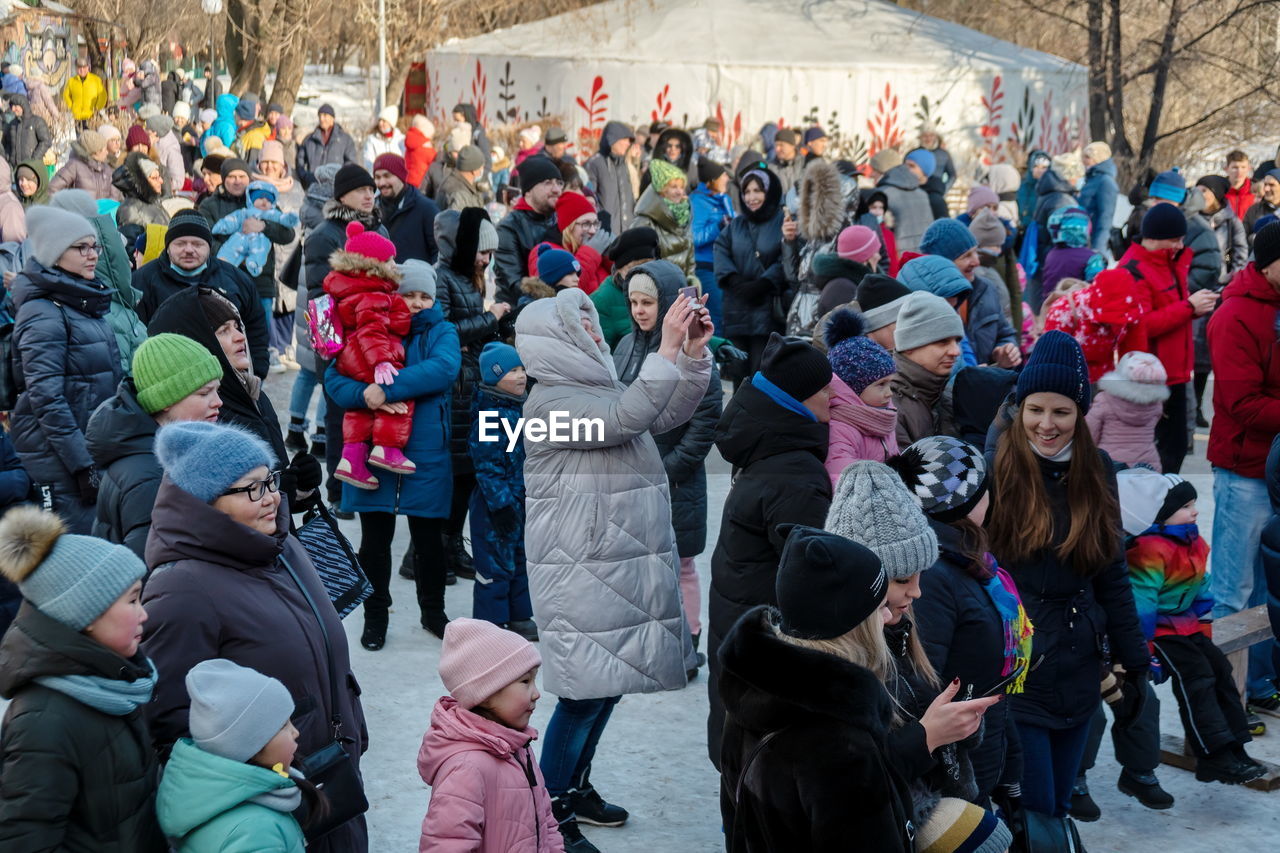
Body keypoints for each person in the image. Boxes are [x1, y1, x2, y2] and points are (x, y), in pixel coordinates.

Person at [515, 287, 711, 850]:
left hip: (607, 562)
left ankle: (573, 788)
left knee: (606, 688)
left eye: (593, 323)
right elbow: (628, 417)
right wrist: (666, 345)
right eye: (584, 326)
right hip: (578, 565)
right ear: (558, 341)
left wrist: (691, 353)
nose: (598, 332)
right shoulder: (548, 406)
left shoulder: (594, 388)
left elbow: (663, 410)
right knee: (581, 696)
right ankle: (546, 812)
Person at [141, 420, 368, 852]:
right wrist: (250, 799)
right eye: (252, 489)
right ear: (206, 502)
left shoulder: (280, 547)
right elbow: (171, 726)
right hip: (270, 806)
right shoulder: (181, 589)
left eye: (270, 481)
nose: (272, 498)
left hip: (330, 778)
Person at [985, 330, 1150, 819]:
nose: (1046, 424)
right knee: (1033, 808)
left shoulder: (1095, 468)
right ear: (1020, 407)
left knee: (1058, 803)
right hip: (1020, 667)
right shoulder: (997, 470)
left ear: (1081, 414)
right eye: (1036, 409)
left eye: (1062, 412)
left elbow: (1112, 572)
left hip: (1080, 662)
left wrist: (1133, 661)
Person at [824, 461, 1009, 845]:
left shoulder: (899, 631)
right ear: (862, 581)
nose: (918, 592)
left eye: (921, 576)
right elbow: (839, 783)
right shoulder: (834, 666)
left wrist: (955, 725)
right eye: (903, 580)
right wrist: (928, 736)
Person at [716, 525, 914, 852]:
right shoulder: (843, 744)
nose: (889, 616)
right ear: (853, 626)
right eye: (879, 607)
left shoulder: (754, 694)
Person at [0, 507, 165, 852]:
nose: (144, 613)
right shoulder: (44, 721)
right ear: (86, 612)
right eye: (132, 599)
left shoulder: (112, 681)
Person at [707, 333, 833, 765]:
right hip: (767, 658)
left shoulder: (772, 449)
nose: (832, 398)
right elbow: (812, 578)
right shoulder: (795, 473)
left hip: (744, 641)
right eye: (824, 390)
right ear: (795, 401)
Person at [325, 258, 459, 647]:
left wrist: (387, 389)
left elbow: (444, 368)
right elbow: (336, 378)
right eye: (408, 295)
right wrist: (364, 393)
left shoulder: (441, 330)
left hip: (424, 450)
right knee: (374, 540)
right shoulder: (369, 326)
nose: (416, 303)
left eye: (424, 296)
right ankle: (375, 616)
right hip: (373, 451)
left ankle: (433, 612)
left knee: (429, 540)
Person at [894, 436, 1034, 804]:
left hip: (979, 743)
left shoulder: (970, 560)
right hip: (955, 768)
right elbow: (926, 685)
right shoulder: (936, 574)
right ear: (970, 500)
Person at [1117, 469, 1266, 784]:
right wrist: (1145, 651)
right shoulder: (1148, 550)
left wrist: (1205, 632)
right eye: (1185, 507)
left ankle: (1234, 745)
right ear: (1161, 515)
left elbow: (1202, 588)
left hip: (1188, 627)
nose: (1194, 511)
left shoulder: (1193, 542)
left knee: (1220, 673)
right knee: (1196, 681)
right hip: (1161, 632)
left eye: (1194, 504)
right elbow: (1141, 606)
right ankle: (1212, 755)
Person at [614, 261, 723, 675]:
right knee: (639, 563)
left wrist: (664, 468)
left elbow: (703, 426)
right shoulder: (625, 345)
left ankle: (688, 640)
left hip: (676, 481)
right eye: (634, 302)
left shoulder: (695, 352)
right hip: (630, 478)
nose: (640, 310)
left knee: (680, 564)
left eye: (649, 302)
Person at [1206, 221, 1280, 715]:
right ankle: (1224, 705)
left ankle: (1260, 682)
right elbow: (1242, 404)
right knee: (1235, 592)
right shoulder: (1234, 315)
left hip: (1276, 469)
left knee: (1271, 585)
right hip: (1245, 472)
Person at [10, 207, 122, 534]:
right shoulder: (43, 313)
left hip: (86, 448)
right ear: (55, 254)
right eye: (80, 247)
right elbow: (46, 398)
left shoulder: (79, 303)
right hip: (57, 459)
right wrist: (82, 465)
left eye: (94, 247)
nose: (92, 255)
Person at [419, 618, 563, 852]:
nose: (536, 693)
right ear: (485, 694)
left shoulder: (517, 744)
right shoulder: (467, 768)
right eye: (525, 681)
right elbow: (447, 845)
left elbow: (545, 819)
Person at [87, 333, 224, 559]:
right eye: (204, 393)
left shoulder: (168, 456)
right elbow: (150, 570)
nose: (218, 401)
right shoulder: (150, 477)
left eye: (217, 390)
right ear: (166, 400)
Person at [156, 659, 313, 851]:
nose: (295, 731)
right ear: (251, 745)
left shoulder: (215, 801)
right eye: (283, 725)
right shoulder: (255, 832)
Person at [1113, 204, 1218, 473]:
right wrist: (1189, 308)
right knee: (1161, 453)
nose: (1180, 245)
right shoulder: (1133, 270)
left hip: (1177, 373)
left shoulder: (1169, 262)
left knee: (1178, 447)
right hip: (1150, 378)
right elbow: (1142, 326)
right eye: (1176, 239)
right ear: (1156, 237)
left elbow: (1171, 311)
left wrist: (1195, 308)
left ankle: (1167, 508)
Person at [435, 209, 504, 583]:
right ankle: (427, 553)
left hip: (471, 383)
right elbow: (445, 331)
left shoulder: (468, 277)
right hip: (455, 389)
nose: (486, 260)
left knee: (466, 474)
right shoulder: (441, 277)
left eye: (490, 254)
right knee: (453, 473)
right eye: (482, 252)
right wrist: (490, 318)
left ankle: (450, 545)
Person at [322, 222, 416, 486]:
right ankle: (388, 448)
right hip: (368, 356)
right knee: (398, 398)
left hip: (349, 357)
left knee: (360, 409)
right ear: (373, 265)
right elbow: (371, 330)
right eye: (389, 260)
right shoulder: (373, 292)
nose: (395, 265)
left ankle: (351, 458)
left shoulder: (350, 286)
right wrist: (382, 362)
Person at [133, 209, 270, 378]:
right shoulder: (143, 281)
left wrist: (257, 371)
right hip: (172, 382)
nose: (189, 250)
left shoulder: (234, 279)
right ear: (168, 247)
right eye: (181, 243)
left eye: (197, 244)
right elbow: (136, 337)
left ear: (209, 247)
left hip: (230, 380)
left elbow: (256, 328)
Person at [468, 342, 536, 637]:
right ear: (495, 377)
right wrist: (501, 504)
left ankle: (520, 614)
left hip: (519, 500)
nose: (521, 376)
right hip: (493, 506)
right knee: (494, 565)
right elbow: (486, 465)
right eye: (512, 371)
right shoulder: (489, 413)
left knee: (520, 559)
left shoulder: (520, 408)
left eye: (522, 369)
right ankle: (491, 622)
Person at [714, 162, 791, 378]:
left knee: (762, 370)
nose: (751, 197)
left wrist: (765, 283)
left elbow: (786, 256)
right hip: (737, 306)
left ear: (770, 191)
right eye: (747, 192)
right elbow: (720, 249)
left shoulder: (782, 222)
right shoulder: (736, 224)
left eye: (758, 190)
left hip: (766, 308)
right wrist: (734, 280)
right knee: (738, 371)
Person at [201, 157, 296, 322]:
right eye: (231, 177)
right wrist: (235, 254)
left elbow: (288, 235)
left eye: (241, 176)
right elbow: (204, 239)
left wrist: (264, 226)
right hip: (224, 279)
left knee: (260, 336)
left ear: (249, 178)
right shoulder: (210, 205)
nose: (237, 181)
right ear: (223, 179)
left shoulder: (263, 201)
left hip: (260, 282)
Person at [822, 310, 898, 483]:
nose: (889, 392)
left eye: (890, 383)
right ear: (852, 389)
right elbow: (842, 479)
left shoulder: (882, 416)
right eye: (880, 384)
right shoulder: (840, 429)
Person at [890, 291, 962, 446]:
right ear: (910, 345)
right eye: (943, 342)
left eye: (957, 340)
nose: (955, 351)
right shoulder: (889, 404)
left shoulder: (944, 392)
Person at [1084, 351, 1169, 471]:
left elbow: (1090, 434)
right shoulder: (1156, 405)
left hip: (1110, 465)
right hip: (1148, 466)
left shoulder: (1104, 400)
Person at [495, 157, 563, 304]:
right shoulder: (508, 228)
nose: (556, 189)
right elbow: (515, 283)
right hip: (517, 313)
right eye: (548, 183)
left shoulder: (561, 220)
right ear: (528, 191)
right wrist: (559, 293)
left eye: (559, 183)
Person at [526, 191, 611, 295]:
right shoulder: (544, 251)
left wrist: (610, 254)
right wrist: (591, 253)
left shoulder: (597, 252)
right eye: (586, 224)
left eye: (595, 223)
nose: (593, 231)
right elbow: (560, 292)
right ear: (568, 227)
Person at [212, 179, 301, 276]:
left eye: (268, 200)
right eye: (260, 198)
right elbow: (233, 220)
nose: (264, 201)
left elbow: (282, 219)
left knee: (260, 250)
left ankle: (254, 264)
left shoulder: (272, 213)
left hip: (260, 240)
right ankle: (224, 261)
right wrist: (221, 226)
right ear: (252, 199)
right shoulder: (245, 212)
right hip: (241, 237)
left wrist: (290, 219)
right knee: (232, 246)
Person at [591, 227, 660, 348]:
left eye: (648, 266)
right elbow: (599, 354)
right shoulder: (602, 300)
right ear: (619, 270)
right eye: (633, 269)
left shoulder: (664, 287)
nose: (642, 273)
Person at [631, 159, 695, 281]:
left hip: (681, 288)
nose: (679, 192)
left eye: (682, 187)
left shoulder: (684, 216)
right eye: (673, 187)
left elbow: (690, 258)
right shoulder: (644, 221)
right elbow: (637, 263)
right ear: (662, 190)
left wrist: (691, 279)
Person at [373, 152, 439, 263]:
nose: (381, 182)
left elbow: (438, 252)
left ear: (401, 176)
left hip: (416, 278)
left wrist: (428, 278)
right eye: (377, 177)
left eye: (387, 176)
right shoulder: (373, 209)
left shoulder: (426, 208)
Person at [584, 120, 636, 231]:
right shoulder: (594, 163)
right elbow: (588, 198)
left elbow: (629, 199)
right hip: (604, 232)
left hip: (626, 231)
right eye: (625, 140)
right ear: (613, 140)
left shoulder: (623, 164)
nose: (628, 144)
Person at [877, 152, 933, 253]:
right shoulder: (922, 194)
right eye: (905, 164)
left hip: (901, 256)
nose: (907, 169)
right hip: (918, 256)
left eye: (912, 166)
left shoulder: (885, 193)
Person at [296, 104, 358, 188]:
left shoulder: (345, 139)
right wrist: (306, 177)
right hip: (313, 186)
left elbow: (351, 163)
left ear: (332, 118)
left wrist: (340, 178)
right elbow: (300, 161)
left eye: (325, 115)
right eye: (320, 116)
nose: (322, 119)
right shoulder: (309, 139)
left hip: (336, 188)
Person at [50, 128, 120, 200]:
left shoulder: (107, 168)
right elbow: (53, 188)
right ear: (96, 151)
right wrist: (70, 207)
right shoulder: (74, 166)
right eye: (104, 149)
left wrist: (109, 206)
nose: (107, 152)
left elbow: (115, 194)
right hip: (79, 211)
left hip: (105, 210)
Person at [1079, 141, 1119, 256]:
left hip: (1093, 243)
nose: (1084, 161)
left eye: (1088, 157)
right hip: (1084, 239)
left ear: (1098, 158)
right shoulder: (1091, 179)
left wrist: (1098, 250)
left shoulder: (1105, 182)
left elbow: (1105, 217)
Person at [113, 152, 171, 227]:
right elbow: (132, 238)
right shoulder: (129, 210)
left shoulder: (154, 203)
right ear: (142, 181)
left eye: (159, 176)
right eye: (154, 178)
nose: (161, 181)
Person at [2, 94, 50, 169]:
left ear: (23, 105)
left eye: (16, 106)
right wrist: (9, 157)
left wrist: (34, 158)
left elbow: (46, 141)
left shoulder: (37, 121)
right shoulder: (11, 124)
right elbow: (5, 143)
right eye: (12, 106)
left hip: (32, 168)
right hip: (15, 169)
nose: (13, 109)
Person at [62, 56, 107, 128]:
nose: (82, 70)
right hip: (76, 116)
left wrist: (97, 108)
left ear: (88, 68)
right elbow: (66, 95)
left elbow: (102, 96)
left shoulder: (96, 80)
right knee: (79, 137)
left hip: (91, 116)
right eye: (79, 68)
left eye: (84, 67)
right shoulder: (71, 81)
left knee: (90, 137)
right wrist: (71, 106)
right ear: (76, 69)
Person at [439, 145, 488, 211]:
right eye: (481, 167)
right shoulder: (459, 193)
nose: (482, 170)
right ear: (474, 170)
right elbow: (457, 220)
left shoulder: (457, 181)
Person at [767, 127, 804, 197]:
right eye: (776, 145)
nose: (777, 149)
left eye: (781, 145)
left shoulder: (804, 164)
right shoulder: (770, 168)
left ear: (792, 145)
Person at [405, 114, 437, 189]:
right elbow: (436, 163)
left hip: (408, 181)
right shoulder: (426, 148)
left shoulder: (410, 142)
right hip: (422, 184)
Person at [1224, 150, 1255, 222]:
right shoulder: (1219, 191)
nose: (1239, 171)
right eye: (1235, 167)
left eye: (1243, 167)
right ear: (1226, 169)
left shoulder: (1256, 192)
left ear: (1249, 168)